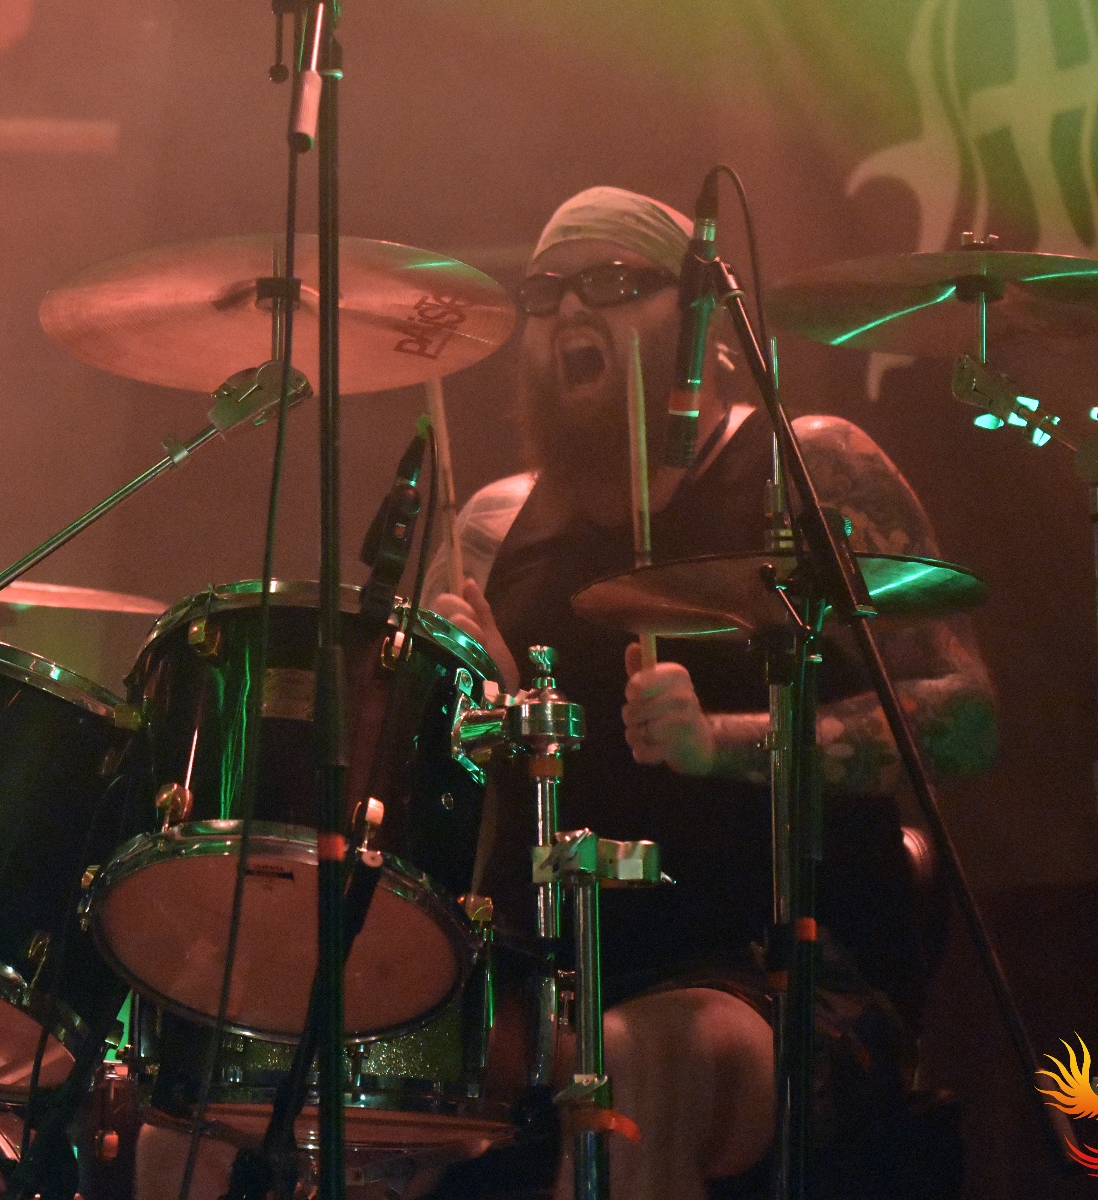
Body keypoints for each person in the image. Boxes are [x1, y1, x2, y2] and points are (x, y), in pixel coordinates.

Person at [424, 186, 997, 1199]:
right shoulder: (490, 527)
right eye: (546, 290)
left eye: (612, 281)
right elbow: (440, 800)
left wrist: (725, 740)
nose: (570, 309)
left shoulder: (806, 468)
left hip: (787, 969)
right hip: (555, 963)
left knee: (630, 1065)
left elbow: (962, 716)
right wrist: (487, 718)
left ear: (700, 322)